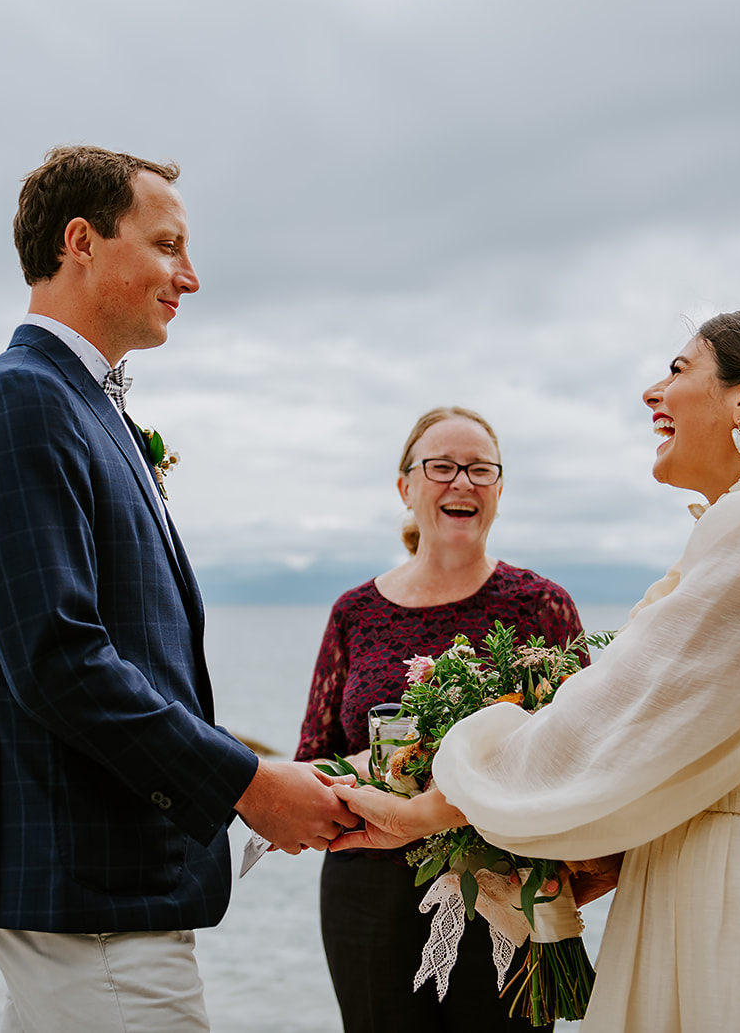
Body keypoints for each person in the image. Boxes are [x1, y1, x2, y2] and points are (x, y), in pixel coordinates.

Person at [333, 309, 740, 1032]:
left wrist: (428, 805)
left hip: (738, 899)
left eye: (679, 371)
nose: (654, 392)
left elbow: (606, 723)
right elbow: (673, 735)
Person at [0, 145, 357, 1033]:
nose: (189, 277)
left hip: (102, 889)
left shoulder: (84, 407)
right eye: (167, 245)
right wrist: (249, 784)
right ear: (82, 241)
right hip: (93, 892)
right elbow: (61, 660)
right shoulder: (19, 401)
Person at [295, 406, 586, 1033]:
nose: (463, 482)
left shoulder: (541, 605)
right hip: (366, 888)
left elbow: (582, 751)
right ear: (406, 487)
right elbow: (312, 760)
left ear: (500, 491)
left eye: (481, 469)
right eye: (441, 467)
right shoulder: (355, 612)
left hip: (507, 885)